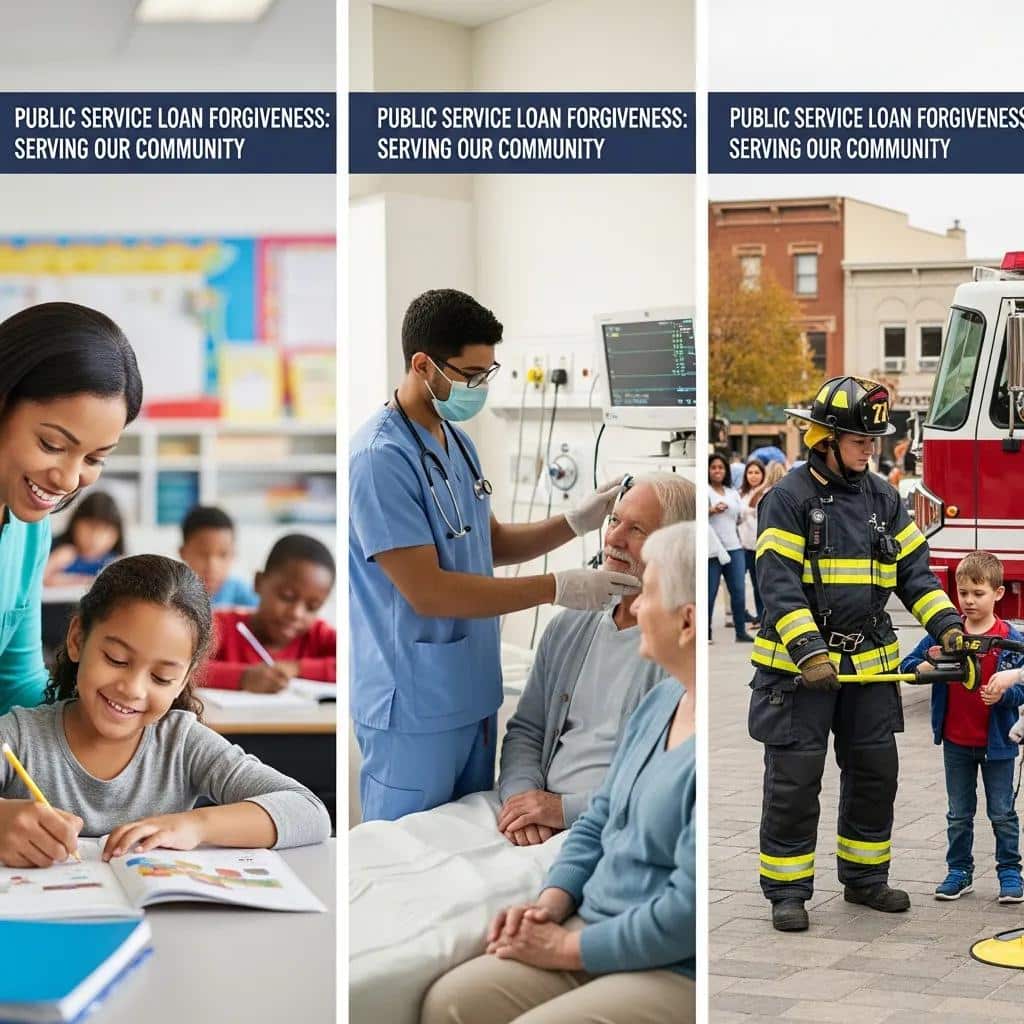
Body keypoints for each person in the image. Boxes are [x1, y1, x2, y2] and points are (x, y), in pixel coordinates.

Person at [350, 289, 639, 822]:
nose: (479, 387)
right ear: (422, 365)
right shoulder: (379, 460)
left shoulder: (456, 442)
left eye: (488, 374)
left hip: (471, 695)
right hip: (413, 705)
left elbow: (491, 543)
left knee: (470, 845)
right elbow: (430, 590)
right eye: (470, 375)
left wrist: (578, 519)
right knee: (408, 856)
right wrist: (558, 588)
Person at [421, 520, 697, 1024]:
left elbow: (686, 912)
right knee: (450, 1002)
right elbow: (597, 823)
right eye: (613, 520)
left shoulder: (700, 752)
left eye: (650, 593)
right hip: (594, 918)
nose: (636, 606)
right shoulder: (662, 705)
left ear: (688, 621)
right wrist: (548, 905)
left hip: (673, 961)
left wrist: (568, 948)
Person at [750, 375, 963, 932]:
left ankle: (866, 879)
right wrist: (808, 651)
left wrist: (948, 627)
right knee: (794, 780)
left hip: (868, 667)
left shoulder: (885, 499)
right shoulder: (788, 499)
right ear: (826, 440)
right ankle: (789, 890)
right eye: (860, 440)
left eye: (874, 440)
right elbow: (776, 585)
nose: (872, 449)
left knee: (875, 774)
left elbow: (915, 575)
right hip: (797, 675)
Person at [0, 555, 330, 866]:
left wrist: (195, 825)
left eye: (161, 677)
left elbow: (309, 811)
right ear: (77, 639)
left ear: (183, 680)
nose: (132, 689)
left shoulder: (181, 743)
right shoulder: (18, 737)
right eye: (116, 659)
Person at [498, 475, 695, 846]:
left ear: (673, 546)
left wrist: (564, 809)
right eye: (614, 520)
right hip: (534, 812)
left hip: (610, 823)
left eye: (636, 529)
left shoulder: (676, 649)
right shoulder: (569, 624)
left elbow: (663, 777)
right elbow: (527, 730)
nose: (613, 539)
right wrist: (519, 800)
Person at [0, 302, 142, 716]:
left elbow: (17, 682)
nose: (67, 479)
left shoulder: (29, 530)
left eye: (94, 459)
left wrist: (110, 713)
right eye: (52, 445)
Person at [900, 551, 1024, 903]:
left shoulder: (1009, 637)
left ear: (998, 594)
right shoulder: (947, 632)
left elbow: (1022, 688)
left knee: (1002, 813)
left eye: (978, 593)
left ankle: (1010, 873)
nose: (968, 601)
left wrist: (1003, 695)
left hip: (998, 744)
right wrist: (929, 660)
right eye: (963, 593)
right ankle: (959, 871)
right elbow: (910, 666)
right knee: (958, 813)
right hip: (956, 742)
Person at [203, 534, 335, 691]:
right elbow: (184, 667)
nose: (296, 613)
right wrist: (243, 677)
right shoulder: (220, 626)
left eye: (312, 607)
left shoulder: (318, 635)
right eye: (287, 597)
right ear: (259, 583)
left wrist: (295, 668)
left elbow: (354, 663)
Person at [179, 505, 258, 609]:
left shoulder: (242, 593)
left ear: (233, 554)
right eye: (202, 554)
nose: (212, 566)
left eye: (223, 554)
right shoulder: (174, 594)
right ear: (183, 553)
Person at [708, 453, 750, 643]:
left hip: (734, 548)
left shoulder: (732, 493)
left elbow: (740, 516)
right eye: (713, 467)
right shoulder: (705, 491)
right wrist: (711, 510)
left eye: (720, 467)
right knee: (710, 593)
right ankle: (706, 633)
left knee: (739, 592)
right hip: (713, 551)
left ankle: (740, 632)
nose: (717, 471)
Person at [44, 491, 124, 586]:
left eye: (105, 530)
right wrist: (53, 563)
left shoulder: (114, 562)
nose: (96, 538)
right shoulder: (51, 547)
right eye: (90, 527)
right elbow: (33, 581)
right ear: (75, 524)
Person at [737, 458, 767, 627]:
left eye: (757, 472)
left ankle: (762, 617)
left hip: (759, 545)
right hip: (742, 545)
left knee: (759, 584)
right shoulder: (740, 493)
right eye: (750, 472)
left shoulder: (767, 492)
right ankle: (748, 615)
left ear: (763, 474)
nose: (753, 476)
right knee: (738, 585)